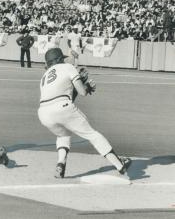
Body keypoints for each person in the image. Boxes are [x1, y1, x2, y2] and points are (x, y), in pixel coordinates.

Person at [37, 47, 131, 178]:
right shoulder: (68, 67)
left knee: (63, 136)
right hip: (61, 106)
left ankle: (60, 164)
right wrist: (87, 87)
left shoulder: (44, 76)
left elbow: (67, 97)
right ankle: (120, 165)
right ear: (59, 59)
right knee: (93, 135)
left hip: (43, 113)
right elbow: (82, 92)